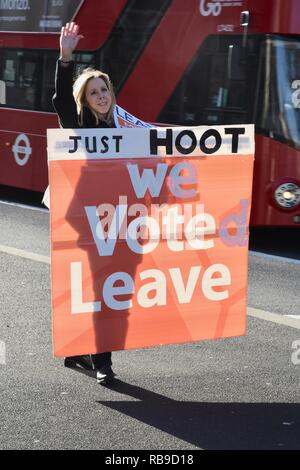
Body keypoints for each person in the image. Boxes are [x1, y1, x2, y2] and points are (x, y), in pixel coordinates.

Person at [52, 22, 117, 385]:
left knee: (106, 289)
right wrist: (66, 58)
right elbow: (61, 99)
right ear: (86, 100)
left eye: (104, 89)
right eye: (93, 92)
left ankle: (79, 348)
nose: (101, 95)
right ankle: (102, 361)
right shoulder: (79, 126)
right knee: (101, 290)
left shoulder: (123, 127)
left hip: (118, 221)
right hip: (86, 222)